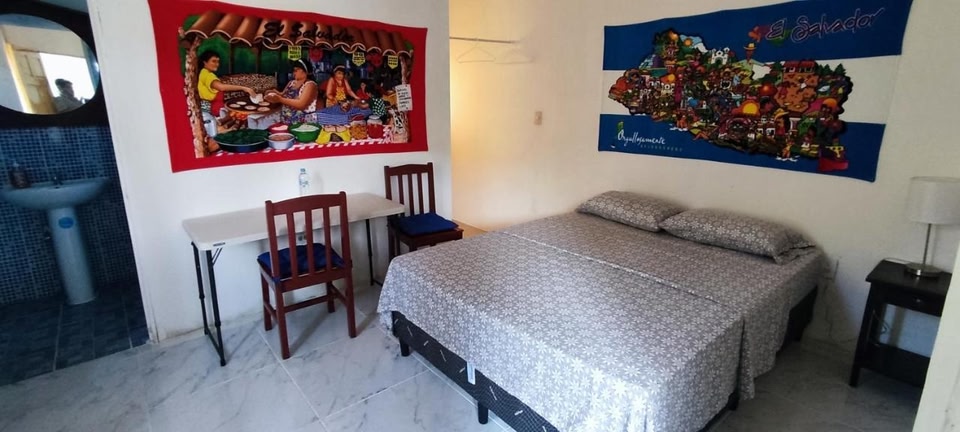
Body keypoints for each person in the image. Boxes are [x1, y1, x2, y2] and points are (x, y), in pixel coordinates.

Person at [197, 50, 255, 115]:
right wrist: (244, 88)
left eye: (218, 62)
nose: (217, 64)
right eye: (214, 61)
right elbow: (221, 87)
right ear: (205, 62)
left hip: (205, 107)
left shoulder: (202, 73)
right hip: (210, 109)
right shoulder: (207, 75)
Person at [266, 59, 319, 123]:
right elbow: (283, 94)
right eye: (293, 70)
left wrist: (280, 99)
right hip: (286, 119)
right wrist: (274, 93)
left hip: (303, 122)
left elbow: (301, 104)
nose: (294, 73)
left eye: (296, 70)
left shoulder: (310, 85)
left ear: (305, 71)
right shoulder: (292, 83)